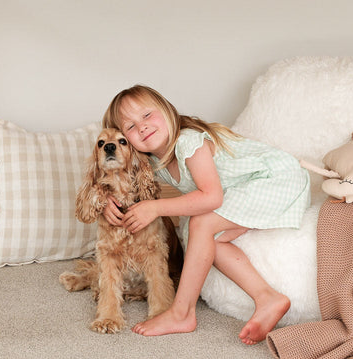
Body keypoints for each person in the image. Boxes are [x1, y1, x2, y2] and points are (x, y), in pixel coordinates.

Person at [101, 84, 310, 345]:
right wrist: (107, 201)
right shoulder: (152, 162)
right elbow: (123, 181)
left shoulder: (188, 141)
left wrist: (155, 208)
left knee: (201, 222)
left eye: (146, 115)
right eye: (130, 127)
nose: (142, 127)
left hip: (275, 178)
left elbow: (212, 197)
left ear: (166, 111)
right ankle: (267, 297)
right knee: (205, 238)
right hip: (249, 189)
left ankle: (182, 312)